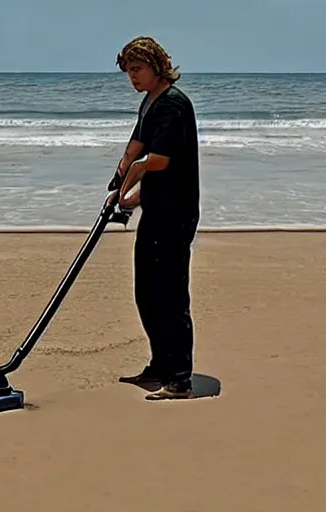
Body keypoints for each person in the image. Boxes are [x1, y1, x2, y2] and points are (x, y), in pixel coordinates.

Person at [111, 36, 201, 400]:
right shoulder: (149, 103)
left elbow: (156, 161)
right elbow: (135, 147)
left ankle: (179, 378)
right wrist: (119, 183)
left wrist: (127, 186)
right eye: (128, 71)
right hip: (155, 208)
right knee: (146, 293)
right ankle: (159, 365)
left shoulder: (173, 105)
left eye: (137, 69)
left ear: (156, 67)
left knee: (171, 296)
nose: (132, 77)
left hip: (175, 214)